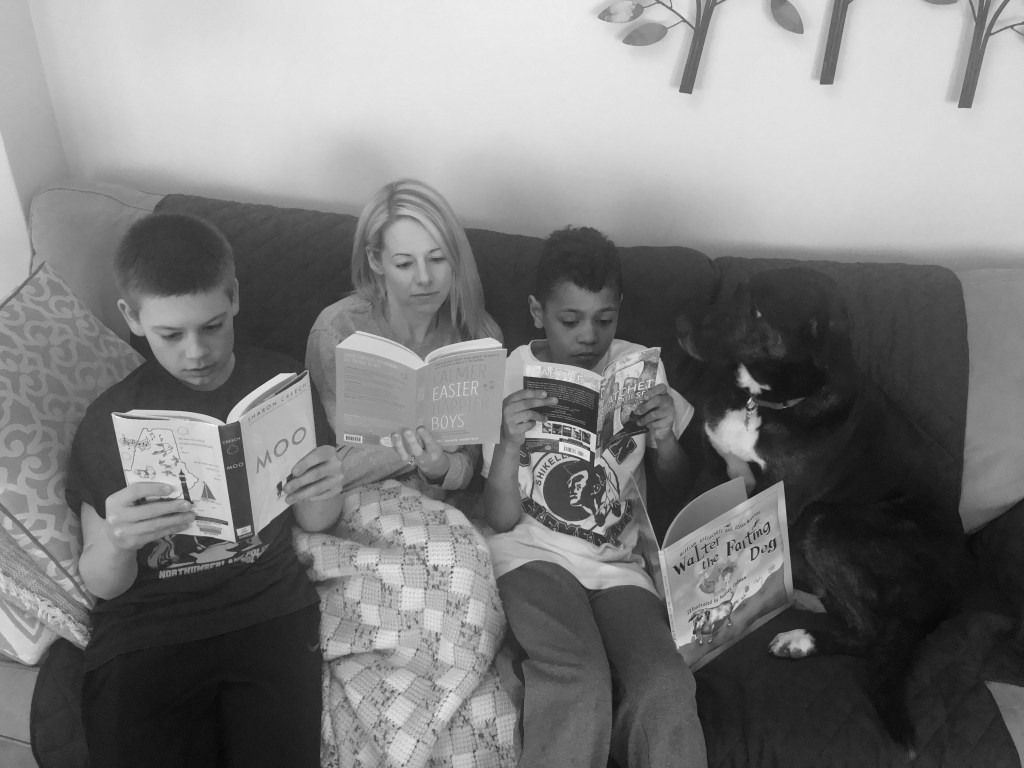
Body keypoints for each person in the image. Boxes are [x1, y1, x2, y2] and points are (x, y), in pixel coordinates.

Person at [66, 213, 346, 768]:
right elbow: (103, 583)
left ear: (234, 296)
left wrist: (325, 482)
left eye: (213, 326)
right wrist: (118, 541)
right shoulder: (110, 419)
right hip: (148, 629)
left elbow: (316, 520)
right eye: (170, 335)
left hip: (268, 611)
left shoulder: (282, 387)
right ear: (132, 318)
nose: (196, 352)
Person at [482, 226, 708, 768]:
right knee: (580, 680)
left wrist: (665, 440)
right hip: (532, 556)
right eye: (570, 321)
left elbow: (678, 485)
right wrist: (509, 444)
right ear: (537, 312)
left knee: (667, 683)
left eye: (604, 320)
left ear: (620, 310)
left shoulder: (639, 368)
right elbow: (500, 518)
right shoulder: (510, 373)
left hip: (618, 568)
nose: (589, 337)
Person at [306, 177, 501, 498]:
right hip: (356, 503)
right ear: (375, 260)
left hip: (439, 510)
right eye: (404, 263)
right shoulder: (338, 331)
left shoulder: (478, 336)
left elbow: (468, 466)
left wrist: (440, 466)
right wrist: (429, 441)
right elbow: (334, 465)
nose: (424, 278)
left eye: (437, 259)